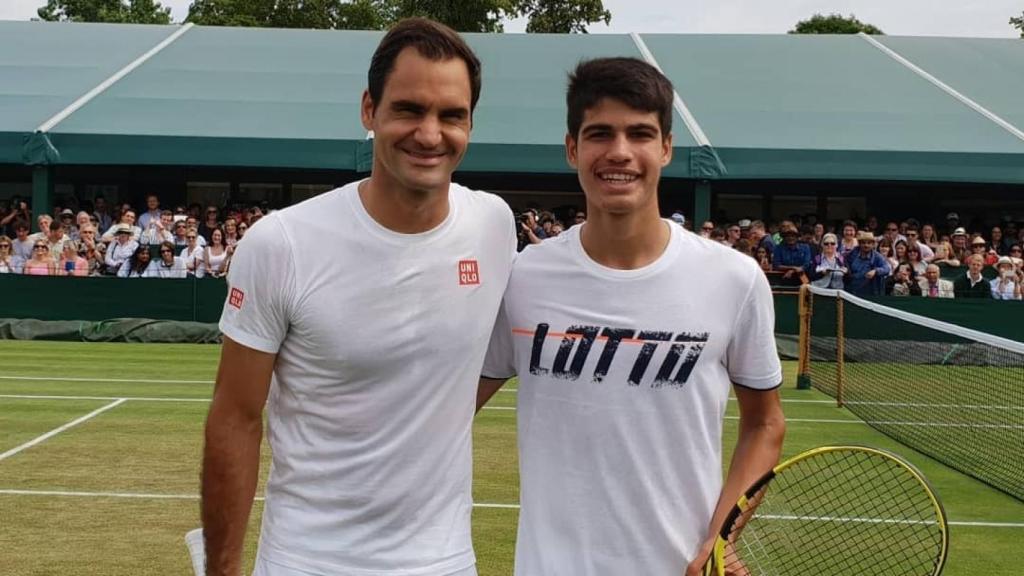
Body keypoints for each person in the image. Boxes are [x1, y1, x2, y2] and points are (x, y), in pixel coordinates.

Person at [202, 18, 516, 576]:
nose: (429, 133)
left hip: (446, 562)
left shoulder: (493, 223)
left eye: (451, 115)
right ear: (369, 110)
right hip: (308, 561)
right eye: (408, 109)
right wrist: (224, 569)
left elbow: (491, 356)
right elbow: (235, 419)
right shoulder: (282, 243)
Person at [477, 57, 784, 576]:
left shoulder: (734, 278)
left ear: (665, 147)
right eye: (600, 134)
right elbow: (443, 410)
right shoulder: (522, 278)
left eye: (640, 134)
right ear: (572, 147)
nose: (619, 152)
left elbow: (765, 424)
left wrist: (721, 535)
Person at [845, 231, 890, 297]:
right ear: (859, 244)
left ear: (873, 244)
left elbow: (887, 269)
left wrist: (875, 271)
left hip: (871, 293)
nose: (866, 245)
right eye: (863, 243)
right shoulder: (852, 254)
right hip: (852, 291)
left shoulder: (877, 256)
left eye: (869, 243)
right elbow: (846, 265)